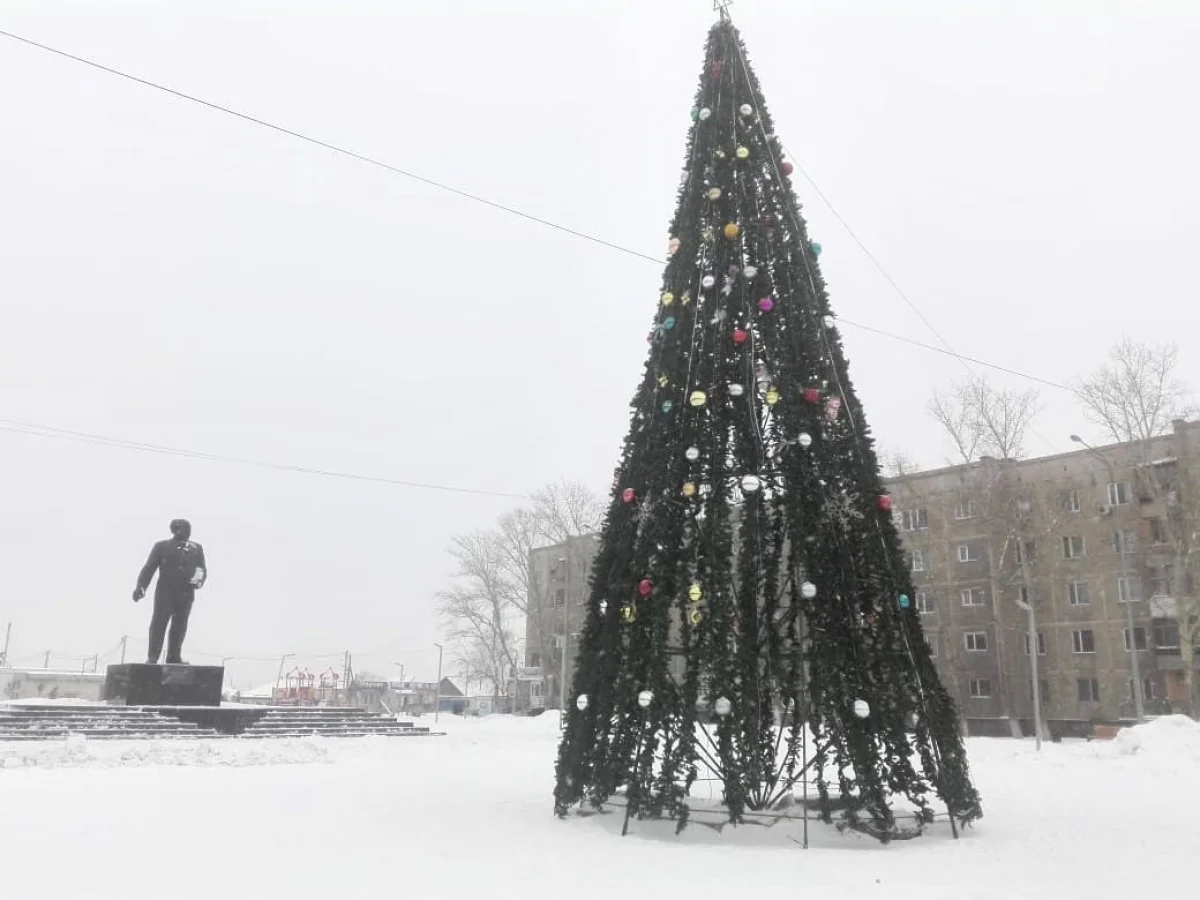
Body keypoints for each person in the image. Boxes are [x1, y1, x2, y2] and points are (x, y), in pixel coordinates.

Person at [133, 518, 207, 665]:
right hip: (165, 591)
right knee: (159, 623)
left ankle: (174, 656)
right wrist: (141, 587)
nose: (188, 532)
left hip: (186, 593)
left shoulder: (196, 548)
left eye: (188, 528)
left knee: (180, 625)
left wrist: (198, 581)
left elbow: (201, 569)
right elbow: (149, 568)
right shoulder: (162, 546)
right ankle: (153, 656)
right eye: (184, 528)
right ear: (175, 530)